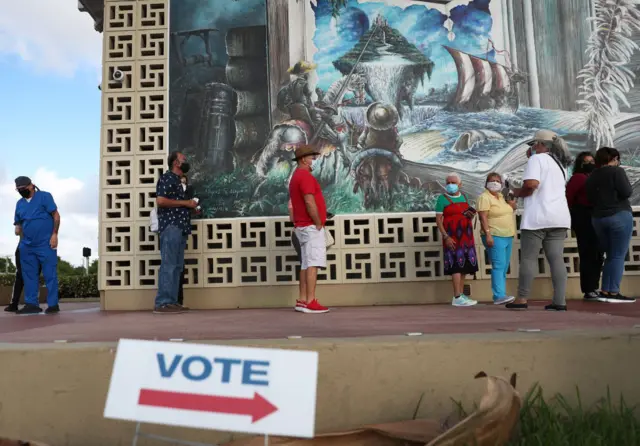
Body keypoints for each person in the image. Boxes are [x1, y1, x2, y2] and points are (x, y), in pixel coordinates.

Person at [507, 130, 572, 311]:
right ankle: (560, 301)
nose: (532, 148)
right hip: (559, 217)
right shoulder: (560, 164)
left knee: (528, 258)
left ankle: (522, 298)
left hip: (538, 217)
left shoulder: (537, 159)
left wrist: (515, 192)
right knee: (556, 259)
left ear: (540, 145)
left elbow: (532, 185)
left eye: (533, 144)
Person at [586, 147, 636, 303]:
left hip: (598, 218)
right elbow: (627, 192)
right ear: (614, 158)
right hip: (619, 215)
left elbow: (590, 197)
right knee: (618, 255)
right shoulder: (617, 172)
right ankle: (614, 292)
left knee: (610, 255)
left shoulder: (592, 175)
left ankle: (605, 290)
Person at [154, 152, 198, 314]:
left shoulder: (179, 182)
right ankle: (163, 302)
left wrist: (190, 208)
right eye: (183, 160)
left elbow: (177, 204)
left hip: (181, 227)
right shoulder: (167, 178)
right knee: (169, 264)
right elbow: (161, 201)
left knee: (177, 266)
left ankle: (172, 301)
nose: (186, 162)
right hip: (171, 226)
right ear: (175, 163)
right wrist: (186, 203)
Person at [289, 145, 330, 314]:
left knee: (305, 264)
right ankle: (311, 301)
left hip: (302, 226)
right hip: (311, 227)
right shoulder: (304, 176)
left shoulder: (295, 176)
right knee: (313, 264)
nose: (314, 159)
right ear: (303, 159)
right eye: (311, 157)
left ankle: (303, 300)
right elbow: (309, 202)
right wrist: (318, 221)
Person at [12, 176, 61, 314]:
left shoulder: (45, 197)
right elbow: (18, 223)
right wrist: (18, 229)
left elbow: (56, 216)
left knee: (49, 274)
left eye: (23, 189)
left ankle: (53, 304)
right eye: (19, 190)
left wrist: (54, 234)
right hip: (26, 245)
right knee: (29, 275)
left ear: (31, 185)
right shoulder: (19, 203)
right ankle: (31, 304)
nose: (22, 191)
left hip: (45, 243)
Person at [435, 173, 479, 307]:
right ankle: (457, 296)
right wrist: (446, 237)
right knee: (455, 266)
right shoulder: (442, 199)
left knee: (464, 266)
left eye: (453, 182)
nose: (450, 185)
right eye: (448, 182)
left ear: (460, 184)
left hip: (466, 237)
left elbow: (466, 216)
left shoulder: (464, 197)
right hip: (452, 237)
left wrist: (470, 216)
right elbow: (438, 221)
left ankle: (461, 294)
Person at [566, 152, 604, 301]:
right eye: (586, 161)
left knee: (598, 253)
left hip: (596, 216)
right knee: (588, 253)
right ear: (580, 164)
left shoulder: (595, 177)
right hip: (583, 216)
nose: (590, 163)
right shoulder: (578, 178)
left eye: (592, 161)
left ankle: (594, 286)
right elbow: (568, 198)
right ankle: (588, 289)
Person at [477, 172, 517, 305]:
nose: (495, 183)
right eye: (492, 180)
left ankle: (502, 293)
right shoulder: (484, 197)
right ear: (486, 183)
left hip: (507, 235)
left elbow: (511, 209)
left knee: (504, 266)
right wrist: (487, 234)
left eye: (497, 181)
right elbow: (482, 217)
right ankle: (498, 295)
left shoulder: (501, 197)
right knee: (498, 265)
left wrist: (511, 202)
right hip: (494, 235)